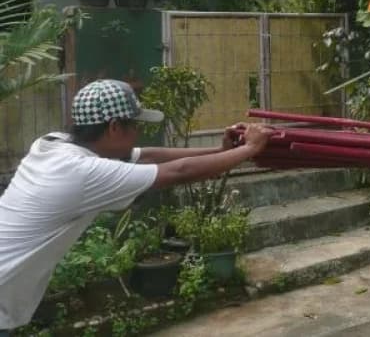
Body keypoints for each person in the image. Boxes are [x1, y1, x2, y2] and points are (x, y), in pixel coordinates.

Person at [0, 79, 273, 334]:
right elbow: (178, 172)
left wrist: (220, 151)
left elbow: (147, 156)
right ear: (115, 127)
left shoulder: (51, 144)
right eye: (135, 125)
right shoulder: (83, 171)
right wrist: (249, 150)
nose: (139, 132)